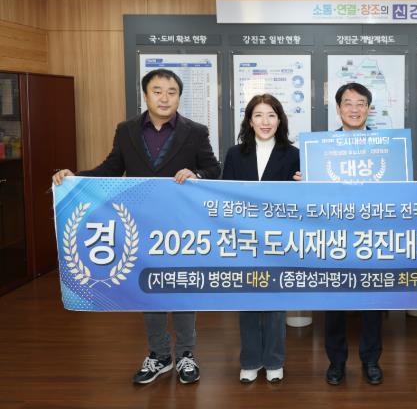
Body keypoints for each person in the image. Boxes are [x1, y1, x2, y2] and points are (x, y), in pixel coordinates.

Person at [52, 69, 220, 385]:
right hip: (141, 226)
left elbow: (214, 168)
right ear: (145, 95)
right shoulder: (126, 130)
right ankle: (159, 355)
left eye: (171, 91)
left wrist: (197, 175)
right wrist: (75, 178)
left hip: (181, 227)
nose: (164, 97)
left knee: (183, 290)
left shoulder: (196, 132)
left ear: (179, 97)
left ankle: (186, 354)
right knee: (149, 289)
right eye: (157, 91)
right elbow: (111, 168)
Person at [222, 94, 299, 384]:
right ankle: (250, 360)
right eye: (258, 115)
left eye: (271, 115)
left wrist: (304, 184)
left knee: (276, 303)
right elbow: (224, 195)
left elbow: (302, 201)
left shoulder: (293, 154)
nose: (265, 121)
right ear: (249, 121)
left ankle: (275, 360)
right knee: (248, 301)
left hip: (280, 238)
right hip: (244, 237)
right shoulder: (234, 154)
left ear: (280, 120)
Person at [323, 82, 383, 386]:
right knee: (334, 303)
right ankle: (336, 362)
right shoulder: (322, 148)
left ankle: (371, 360)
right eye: (348, 103)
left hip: (373, 236)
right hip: (334, 237)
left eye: (361, 103)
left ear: (369, 109)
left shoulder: (385, 146)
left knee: (373, 303)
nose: (355, 109)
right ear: (338, 109)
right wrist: (304, 180)